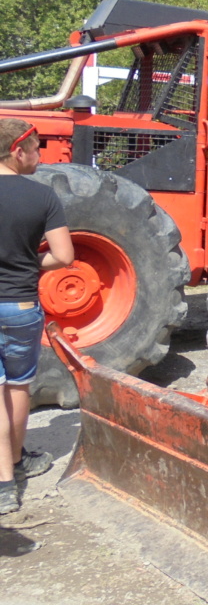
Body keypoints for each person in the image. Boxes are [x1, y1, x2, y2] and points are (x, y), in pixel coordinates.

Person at [0, 119, 74, 515]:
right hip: (21, 307)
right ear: (17, 150)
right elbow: (63, 257)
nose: (39, 155)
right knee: (17, 389)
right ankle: (11, 466)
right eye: (37, 148)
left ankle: (4, 487)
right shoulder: (43, 197)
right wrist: (30, 263)